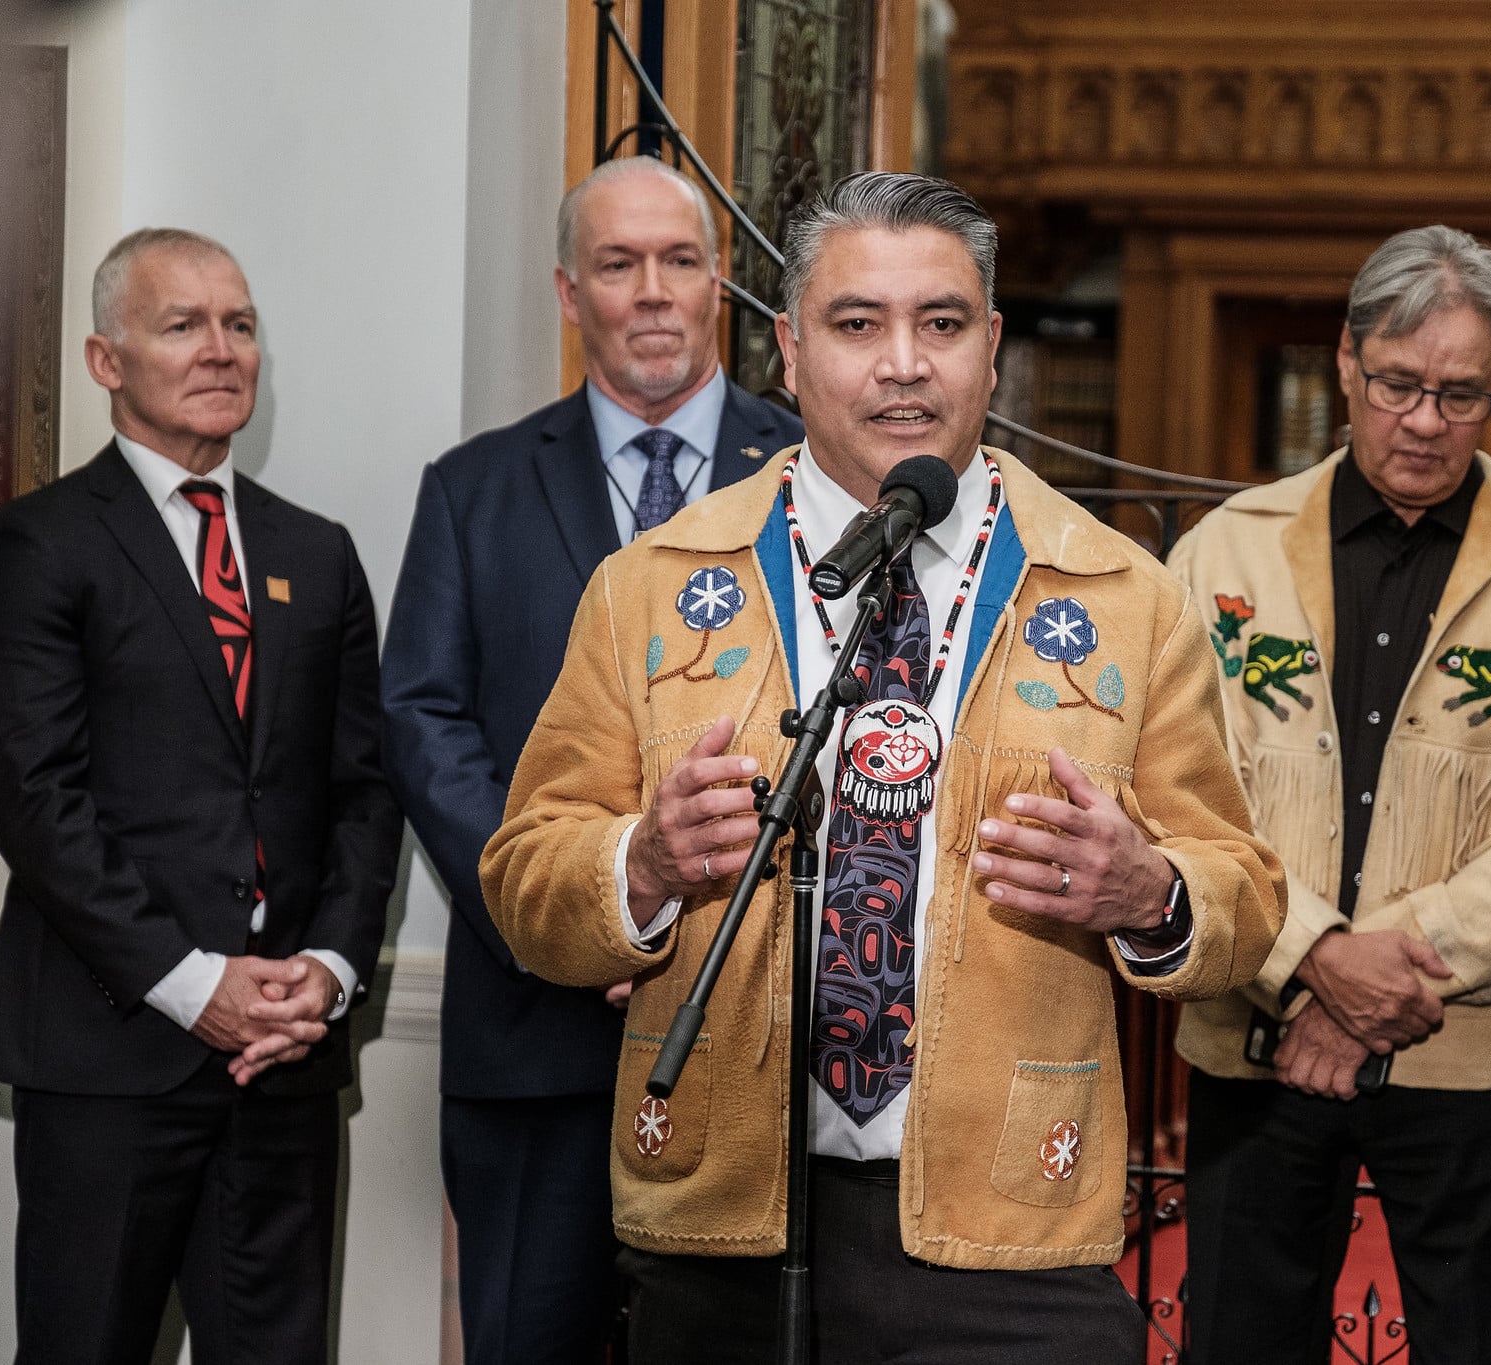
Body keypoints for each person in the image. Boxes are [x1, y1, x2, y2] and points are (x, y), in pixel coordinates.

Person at [479, 171, 1282, 1364]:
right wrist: (640, 862)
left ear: (992, 349)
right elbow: (525, 882)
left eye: (941, 324)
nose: (902, 363)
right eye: (857, 325)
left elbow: (1245, 895)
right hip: (723, 1222)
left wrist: (1150, 894)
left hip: (1009, 1235)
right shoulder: (649, 586)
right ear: (790, 353)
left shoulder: (1123, 598)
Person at [1170, 225, 1491, 1364]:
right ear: (1345, 360)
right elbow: (1175, 794)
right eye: (1396, 385)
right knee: (1238, 1338)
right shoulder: (1220, 555)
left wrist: (1378, 971)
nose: (1424, 421)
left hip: (1470, 1050)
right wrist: (1310, 965)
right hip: (1256, 1041)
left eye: (1460, 395)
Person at [379, 155, 801, 1364]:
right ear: (571, 294)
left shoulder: (811, 487)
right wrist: (580, 908)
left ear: (719, 282)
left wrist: (686, 907)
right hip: (534, 1034)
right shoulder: (471, 491)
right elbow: (422, 723)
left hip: (755, 1017)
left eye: (679, 260)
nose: (653, 291)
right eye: (620, 265)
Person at [0, 227, 400, 1364]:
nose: (222, 351)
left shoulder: (320, 550)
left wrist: (330, 971)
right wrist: (191, 982)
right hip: (108, 1056)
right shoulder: (37, 545)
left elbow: (364, 790)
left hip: (285, 1061)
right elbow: (33, 798)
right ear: (107, 360)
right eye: (183, 325)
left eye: (240, 325)